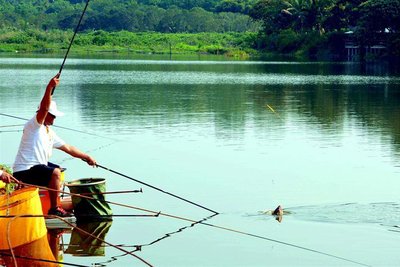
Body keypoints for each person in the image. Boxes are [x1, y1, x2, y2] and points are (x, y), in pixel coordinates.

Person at [13, 73, 96, 217]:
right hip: (24, 171)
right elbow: (44, 109)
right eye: (53, 115)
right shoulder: (34, 125)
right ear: (45, 114)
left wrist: (87, 157)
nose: (54, 119)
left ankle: (51, 199)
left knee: (58, 169)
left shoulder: (49, 132)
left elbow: (68, 148)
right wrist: (49, 87)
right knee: (55, 173)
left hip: (35, 168)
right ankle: (54, 208)